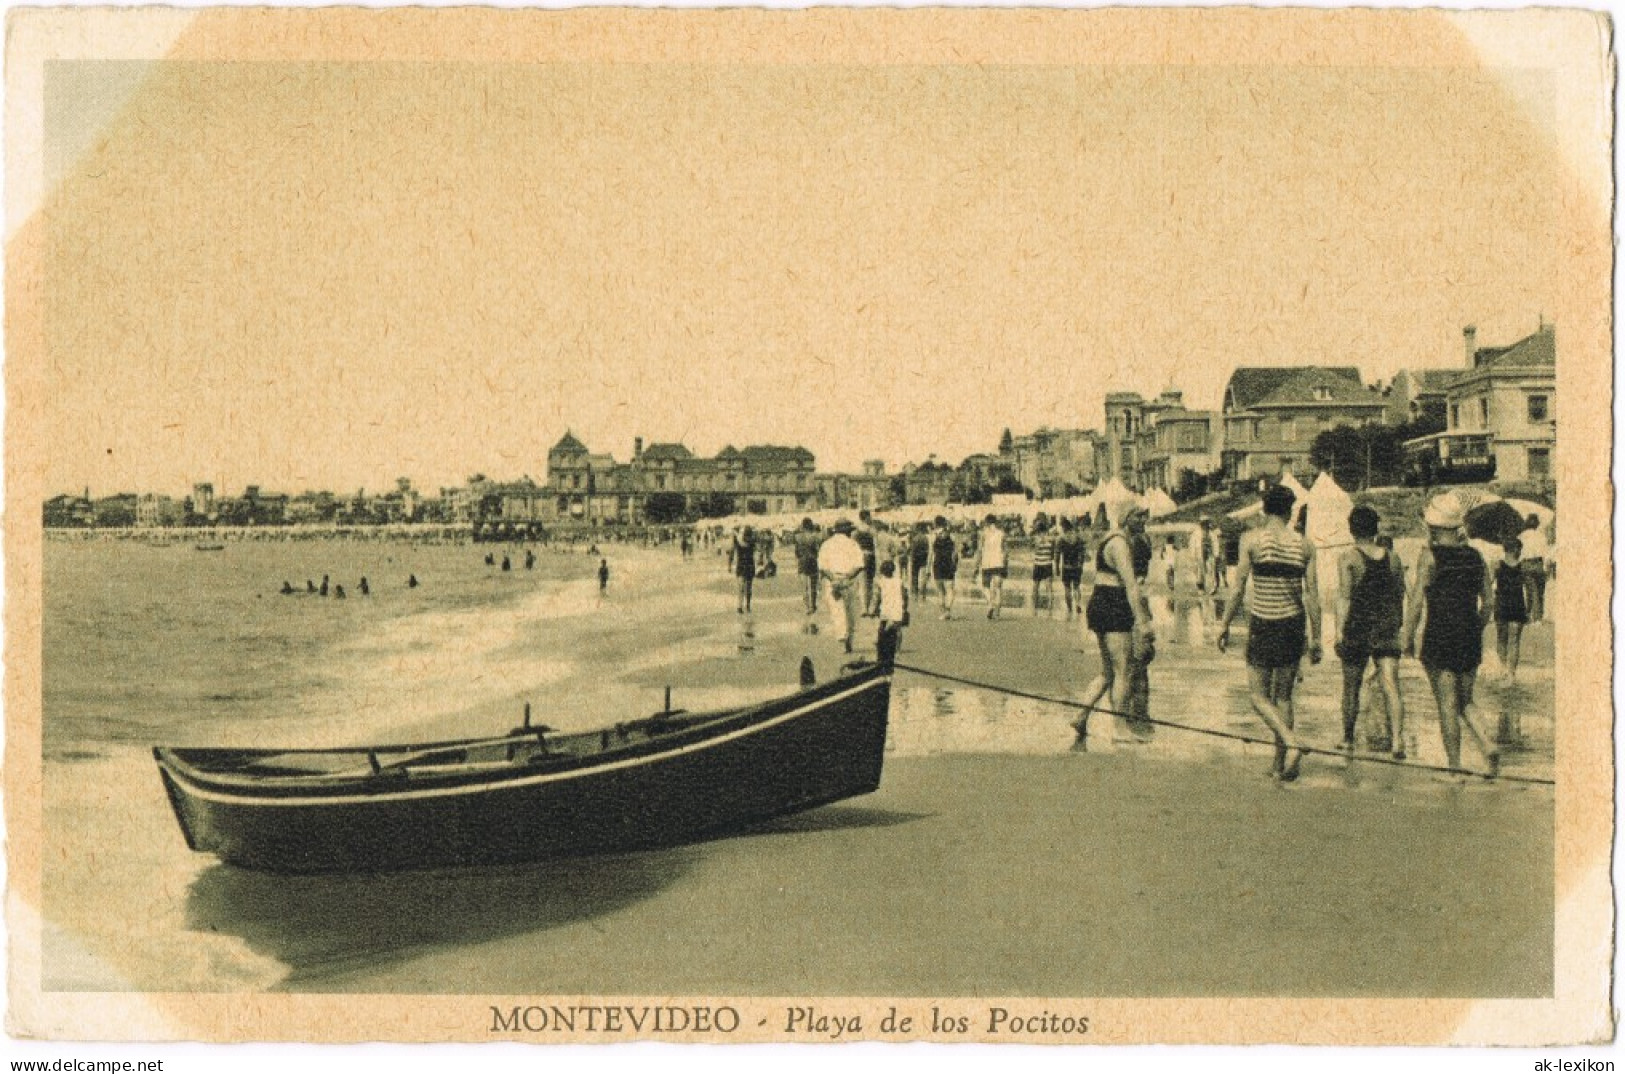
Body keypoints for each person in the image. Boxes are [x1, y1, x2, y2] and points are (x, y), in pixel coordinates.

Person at [1217, 484, 1321, 782]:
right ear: (1289, 511)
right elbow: (1311, 595)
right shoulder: (1305, 545)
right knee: (1284, 697)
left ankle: (1290, 742)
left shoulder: (1252, 540)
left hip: (1264, 623)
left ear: (1264, 509)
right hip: (1293, 624)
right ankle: (1281, 764)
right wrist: (1316, 638)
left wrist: (1224, 624)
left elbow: (1237, 589)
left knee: (1258, 696)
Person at [1402, 493, 1499, 776]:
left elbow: (1417, 602)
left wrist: (1407, 637)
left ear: (1432, 527)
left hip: (1439, 634)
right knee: (1466, 700)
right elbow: (1489, 603)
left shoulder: (1429, 557)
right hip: (1469, 633)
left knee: (1446, 703)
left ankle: (1455, 769)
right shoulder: (1476, 557)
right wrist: (1475, 627)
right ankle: (1487, 743)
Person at [1073, 498, 1155, 742]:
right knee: (1124, 670)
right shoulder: (1119, 543)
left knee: (1109, 672)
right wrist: (1142, 621)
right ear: (1126, 517)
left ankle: (1081, 715)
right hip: (1112, 604)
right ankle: (1119, 728)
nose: (1143, 520)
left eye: (1144, 515)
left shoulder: (1114, 539)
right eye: (1139, 515)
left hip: (1101, 603)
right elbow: (1131, 585)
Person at [1334, 505, 1406, 759]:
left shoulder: (1349, 558)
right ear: (1375, 529)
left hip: (1358, 627)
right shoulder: (1393, 557)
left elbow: (1344, 598)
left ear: (1352, 529)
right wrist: (1399, 624)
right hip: (1386, 626)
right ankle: (1397, 740)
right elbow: (1399, 594)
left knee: (1351, 687)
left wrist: (1339, 632)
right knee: (1391, 685)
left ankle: (1347, 739)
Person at [818, 519, 866, 653]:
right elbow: (859, 565)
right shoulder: (853, 544)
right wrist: (848, 576)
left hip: (832, 580)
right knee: (851, 612)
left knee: (837, 610)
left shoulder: (826, 545)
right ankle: (849, 638)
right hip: (849, 580)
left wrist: (834, 578)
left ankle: (841, 635)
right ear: (847, 531)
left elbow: (822, 567)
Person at [1494, 536, 1528, 683]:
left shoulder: (1497, 565)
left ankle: (1502, 669)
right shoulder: (1523, 567)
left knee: (1501, 639)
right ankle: (1511, 674)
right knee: (1514, 641)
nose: (1521, 552)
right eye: (1520, 549)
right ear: (1515, 549)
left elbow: (1487, 584)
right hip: (1517, 606)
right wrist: (1531, 608)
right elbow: (1531, 589)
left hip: (1501, 605)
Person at [875, 560, 909, 667]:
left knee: (882, 627)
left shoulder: (881, 582)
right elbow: (905, 595)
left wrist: (875, 608)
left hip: (885, 607)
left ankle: (881, 646)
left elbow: (878, 597)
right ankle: (897, 650)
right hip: (897, 607)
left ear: (882, 571)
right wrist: (904, 606)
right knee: (898, 630)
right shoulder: (899, 581)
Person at [974, 514, 1008, 619]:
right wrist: (1006, 565)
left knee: (985, 586)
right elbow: (1006, 551)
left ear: (986, 522)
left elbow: (979, 550)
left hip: (987, 562)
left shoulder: (983, 534)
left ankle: (990, 603)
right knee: (998, 588)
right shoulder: (1002, 534)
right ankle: (997, 613)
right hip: (999, 562)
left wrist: (976, 566)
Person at [928, 516, 958, 619]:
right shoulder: (952, 536)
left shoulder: (933, 536)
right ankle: (948, 610)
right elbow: (955, 553)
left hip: (937, 564)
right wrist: (955, 564)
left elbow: (930, 554)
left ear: (935, 524)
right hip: (948, 563)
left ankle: (943, 613)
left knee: (941, 591)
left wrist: (928, 568)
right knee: (950, 590)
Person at [1519, 515, 1548, 622]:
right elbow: (1546, 553)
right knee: (1539, 592)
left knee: (1530, 591)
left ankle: (1528, 615)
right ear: (1537, 524)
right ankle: (1538, 618)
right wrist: (1545, 567)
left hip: (1526, 564)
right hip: (1539, 563)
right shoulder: (1541, 536)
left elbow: (1519, 553)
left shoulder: (1522, 536)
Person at [1057, 517, 1087, 620]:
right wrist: (1081, 565)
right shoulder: (1077, 538)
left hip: (1066, 567)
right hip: (1076, 567)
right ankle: (1078, 604)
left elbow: (1057, 555)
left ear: (1064, 528)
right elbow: (1082, 554)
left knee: (1067, 588)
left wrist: (1056, 567)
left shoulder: (1061, 539)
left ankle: (1070, 608)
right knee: (1077, 587)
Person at [793, 518, 823, 622]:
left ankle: (807, 607)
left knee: (804, 587)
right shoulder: (815, 537)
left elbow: (796, 552)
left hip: (802, 562)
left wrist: (800, 557)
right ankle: (813, 605)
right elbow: (819, 549)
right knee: (813, 586)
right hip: (813, 561)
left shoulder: (798, 537)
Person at [1030, 516, 1058, 617]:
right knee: (1049, 588)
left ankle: (1034, 609)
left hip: (1038, 564)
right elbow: (1052, 553)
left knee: (1035, 588)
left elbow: (1034, 549)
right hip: (1047, 564)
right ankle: (1049, 610)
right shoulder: (1051, 539)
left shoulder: (1035, 539)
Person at [855, 510, 879, 617]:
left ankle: (863, 608)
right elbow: (876, 545)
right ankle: (870, 608)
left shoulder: (855, 531)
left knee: (862, 583)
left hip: (860, 557)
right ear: (866, 517)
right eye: (869, 516)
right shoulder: (872, 530)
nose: (871, 518)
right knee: (870, 582)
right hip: (870, 556)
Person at [733, 527, 756, 613]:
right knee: (748, 587)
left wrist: (736, 534)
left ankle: (740, 605)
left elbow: (740, 544)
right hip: (749, 565)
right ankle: (747, 605)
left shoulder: (740, 542)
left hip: (741, 566)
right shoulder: (752, 541)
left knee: (741, 587)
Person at [909, 523, 932, 599]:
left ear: (918, 529)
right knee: (923, 577)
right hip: (923, 559)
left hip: (915, 559)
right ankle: (923, 593)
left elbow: (913, 550)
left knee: (914, 576)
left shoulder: (915, 538)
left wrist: (912, 558)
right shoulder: (925, 538)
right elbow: (927, 550)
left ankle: (915, 593)